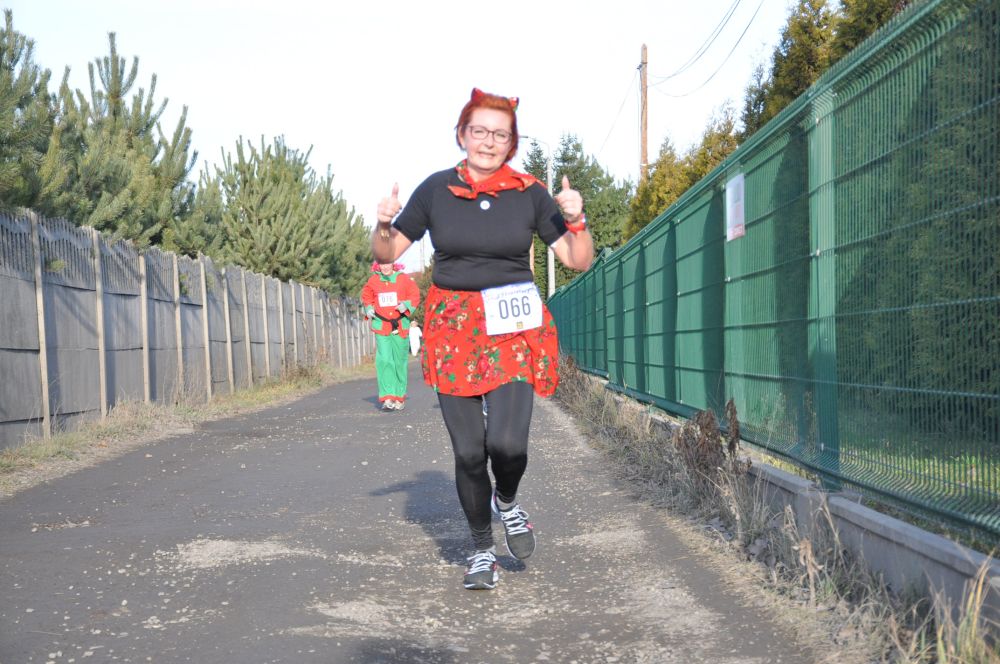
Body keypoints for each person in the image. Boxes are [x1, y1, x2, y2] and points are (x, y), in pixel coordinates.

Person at [371, 87, 594, 589]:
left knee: (508, 445)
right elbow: (387, 252)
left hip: (512, 326)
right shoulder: (436, 190)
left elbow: (577, 259)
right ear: (462, 134)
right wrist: (383, 223)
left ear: (512, 142)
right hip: (453, 326)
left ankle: (506, 501)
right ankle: (480, 551)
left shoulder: (530, 192)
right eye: (480, 131)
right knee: (470, 452)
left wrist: (575, 219)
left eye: (501, 134)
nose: (489, 142)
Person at [360, 262, 420, 411]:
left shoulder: (403, 279)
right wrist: (368, 307)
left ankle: (399, 396)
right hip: (381, 325)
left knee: (399, 362)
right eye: (382, 264)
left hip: (400, 326)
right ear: (377, 266)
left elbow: (415, 295)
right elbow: (366, 295)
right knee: (384, 360)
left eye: (387, 264)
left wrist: (406, 305)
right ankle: (388, 397)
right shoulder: (373, 280)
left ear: (393, 264)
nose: (385, 267)